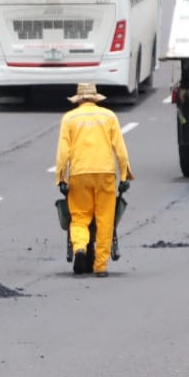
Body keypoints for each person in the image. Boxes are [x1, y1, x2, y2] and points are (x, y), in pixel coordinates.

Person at [55, 82, 134, 277]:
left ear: (79, 99)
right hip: (105, 173)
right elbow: (121, 150)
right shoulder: (109, 116)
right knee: (105, 219)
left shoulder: (69, 118)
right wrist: (124, 174)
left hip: (79, 174)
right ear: (96, 98)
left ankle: (80, 247)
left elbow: (63, 152)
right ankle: (100, 267)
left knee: (80, 217)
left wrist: (61, 177)